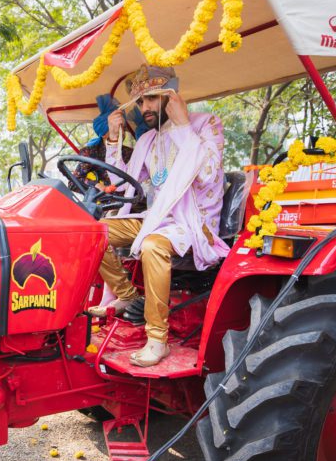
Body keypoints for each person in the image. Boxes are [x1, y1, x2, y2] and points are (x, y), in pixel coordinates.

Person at [87, 64, 229, 366]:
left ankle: (156, 339)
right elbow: (125, 184)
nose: (145, 108)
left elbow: (206, 175)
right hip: (158, 218)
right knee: (95, 231)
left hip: (195, 222)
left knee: (152, 244)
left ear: (171, 96)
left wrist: (181, 128)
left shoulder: (206, 124)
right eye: (140, 102)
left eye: (152, 98)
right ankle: (125, 295)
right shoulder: (148, 139)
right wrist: (114, 141)